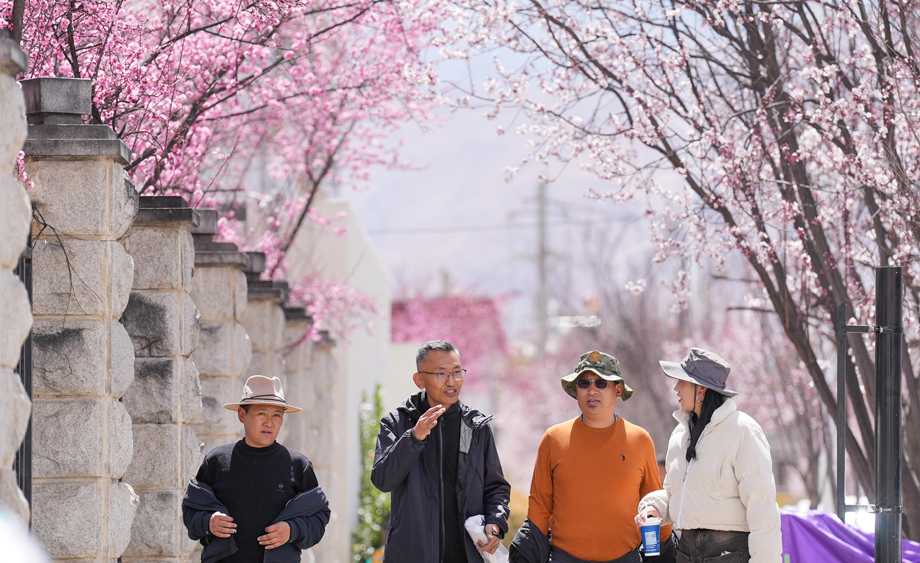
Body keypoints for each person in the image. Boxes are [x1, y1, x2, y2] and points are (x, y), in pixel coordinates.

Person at [511, 350, 673, 563]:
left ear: (618, 390)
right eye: (584, 383)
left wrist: (667, 551)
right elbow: (540, 508)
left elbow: (654, 503)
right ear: (576, 390)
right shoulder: (553, 438)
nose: (592, 390)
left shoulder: (640, 439)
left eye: (601, 383)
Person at [635, 348, 782, 563]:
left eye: (682, 382)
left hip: (728, 554)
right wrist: (654, 507)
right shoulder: (679, 434)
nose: (676, 388)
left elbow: (762, 507)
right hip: (685, 552)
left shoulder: (743, 430)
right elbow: (675, 493)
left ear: (701, 389)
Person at [371, 340, 511, 563]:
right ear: (419, 380)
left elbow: (495, 487)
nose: (452, 381)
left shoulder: (475, 427)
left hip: (467, 555)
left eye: (457, 372)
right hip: (412, 555)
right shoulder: (396, 424)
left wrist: (495, 524)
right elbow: (382, 480)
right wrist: (414, 438)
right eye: (441, 374)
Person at [182, 375, 330, 563]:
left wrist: (292, 530)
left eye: (277, 415)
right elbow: (190, 509)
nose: (270, 422)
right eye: (262, 413)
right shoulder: (216, 460)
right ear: (242, 415)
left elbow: (320, 517)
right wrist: (208, 522)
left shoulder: (298, 464)